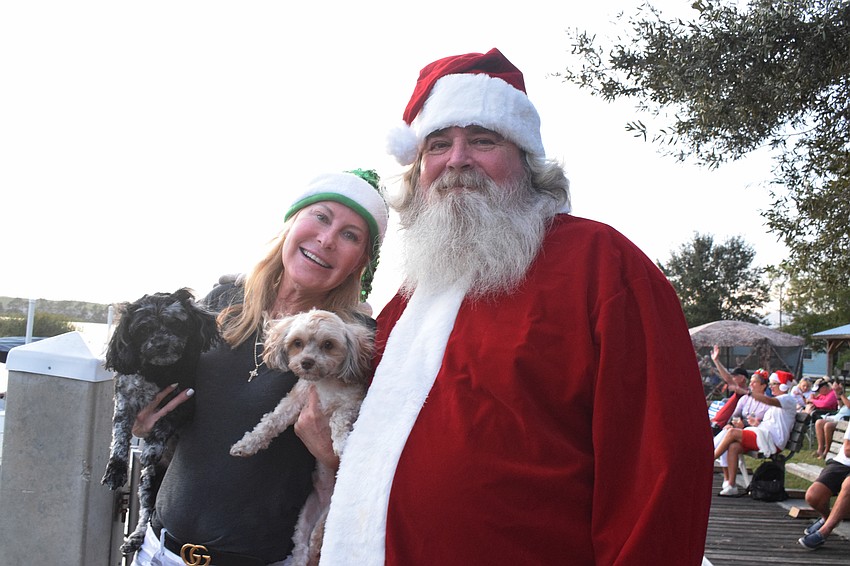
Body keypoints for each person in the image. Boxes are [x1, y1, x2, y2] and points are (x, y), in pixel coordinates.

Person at [321, 48, 713, 565]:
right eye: (438, 144)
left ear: (526, 161)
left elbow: (662, 463)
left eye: (483, 140)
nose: (457, 159)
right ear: (418, 171)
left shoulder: (603, 265)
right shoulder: (408, 300)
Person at [128, 169, 388, 566]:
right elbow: (167, 399)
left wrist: (333, 456)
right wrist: (142, 419)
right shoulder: (221, 300)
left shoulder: (357, 342)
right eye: (320, 217)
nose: (327, 239)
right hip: (157, 550)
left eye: (350, 235)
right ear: (291, 223)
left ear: (361, 263)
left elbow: (376, 469)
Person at [713, 371, 798, 496]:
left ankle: (708, 460)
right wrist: (755, 423)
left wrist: (747, 392)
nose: (771, 387)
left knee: (732, 433)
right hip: (764, 435)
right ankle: (731, 485)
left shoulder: (787, 399)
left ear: (783, 386)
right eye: (770, 384)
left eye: (774, 384)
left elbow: (768, 401)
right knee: (734, 446)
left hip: (773, 441)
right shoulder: (779, 400)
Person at [798, 416, 850, 550]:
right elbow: (847, 450)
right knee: (813, 496)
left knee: (848, 484)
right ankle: (828, 518)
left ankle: (824, 532)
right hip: (842, 463)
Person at [709, 344, 751, 434]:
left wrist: (716, 361)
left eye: (735, 376)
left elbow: (727, 378)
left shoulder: (744, 392)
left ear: (743, 378)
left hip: (719, 427)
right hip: (714, 423)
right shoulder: (739, 392)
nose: (733, 378)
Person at [814, 381, 850, 459]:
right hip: (838, 416)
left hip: (844, 420)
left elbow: (849, 405)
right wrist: (838, 394)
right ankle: (820, 449)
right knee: (819, 422)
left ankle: (827, 451)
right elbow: (841, 406)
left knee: (828, 425)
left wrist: (841, 393)